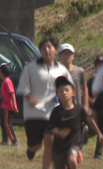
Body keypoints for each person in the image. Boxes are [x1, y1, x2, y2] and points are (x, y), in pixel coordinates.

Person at [16, 36, 73, 169]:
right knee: (35, 145)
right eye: (43, 48)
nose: (47, 50)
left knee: (50, 142)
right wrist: (30, 98)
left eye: (50, 47)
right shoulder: (30, 68)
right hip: (33, 113)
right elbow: (22, 88)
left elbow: (70, 88)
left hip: (52, 112)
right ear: (40, 51)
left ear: (55, 50)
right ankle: (31, 149)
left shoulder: (62, 70)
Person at [48, 76, 103, 169]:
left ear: (73, 93)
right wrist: (58, 132)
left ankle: (74, 157)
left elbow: (90, 122)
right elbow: (50, 127)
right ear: (57, 95)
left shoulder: (79, 109)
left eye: (67, 90)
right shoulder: (56, 111)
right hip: (59, 145)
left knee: (71, 159)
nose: (64, 93)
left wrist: (99, 133)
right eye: (61, 91)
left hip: (75, 142)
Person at [86, 55, 103, 159]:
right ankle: (84, 134)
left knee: (102, 129)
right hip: (92, 111)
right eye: (99, 65)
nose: (101, 67)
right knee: (93, 131)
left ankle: (98, 153)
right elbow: (85, 94)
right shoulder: (91, 81)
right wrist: (91, 103)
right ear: (95, 67)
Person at [58, 43, 89, 112]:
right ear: (59, 56)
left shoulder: (79, 71)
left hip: (77, 107)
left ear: (73, 56)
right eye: (64, 54)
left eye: (69, 54)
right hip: (61, 107)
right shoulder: (56, 72)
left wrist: (86, 105)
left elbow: (85, 88)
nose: (67, 56)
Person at [0, 63, 19, 146]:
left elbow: (12, 93)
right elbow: (3, 95)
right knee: (3, 123)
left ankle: (14, 141)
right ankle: (5, 141)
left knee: (7, 124)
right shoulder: (4, 81)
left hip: (7, 106)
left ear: (2, 73)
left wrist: (14, 106)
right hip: (4, 106)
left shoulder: (7, 81)